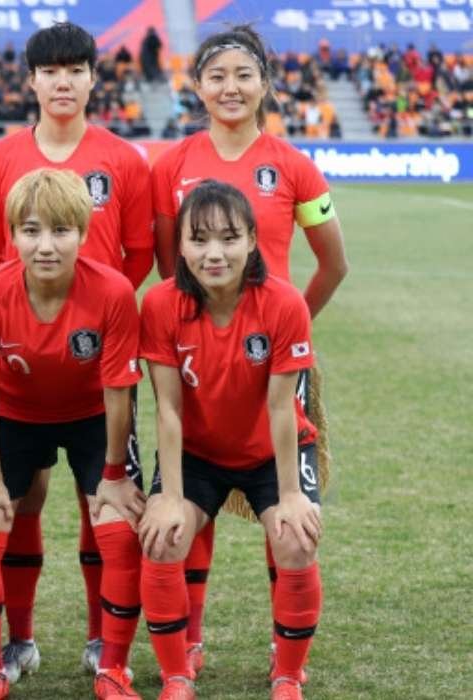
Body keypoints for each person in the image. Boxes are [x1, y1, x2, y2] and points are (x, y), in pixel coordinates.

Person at [150, 25, 347, 675]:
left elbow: (333, 264)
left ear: (265, 82)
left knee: (284, 503)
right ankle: (189, 641)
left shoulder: (294, 165)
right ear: (197, 86)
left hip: (274, 360)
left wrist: (288, 332)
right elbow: (167, 266)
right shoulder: (170, 166)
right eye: (216, 76)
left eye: (243, 75)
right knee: (191, 489)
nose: (230, 87)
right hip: (195, 357)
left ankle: (284, 653)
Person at [0, 21, 153, 681]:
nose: (63, 82)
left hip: (96, 372)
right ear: (32, 80)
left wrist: (92, 315)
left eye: (76, 69)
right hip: (22, 372)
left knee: (106, 510)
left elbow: (138, 253)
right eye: (50, 71)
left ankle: (105, 648)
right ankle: (14, 645)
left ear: (94, 78)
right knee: (13, 506)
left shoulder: (124, 160)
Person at [0, 170, 145, 700]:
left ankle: (112, 665)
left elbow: (119, 393)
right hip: (14, 417)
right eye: (31, 230)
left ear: (83, 232)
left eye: (61, 231)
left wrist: (114, 475)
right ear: (12, 234)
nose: (45, 246)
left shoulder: (112, 290)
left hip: (92, 416)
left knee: (118, 527)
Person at [138, 180, 322, 700]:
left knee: (295, 538)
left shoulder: (284, 303)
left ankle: (287, 673)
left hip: (270, 453)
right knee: (163, 538)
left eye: (228, 238)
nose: (214, 253)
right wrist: (170, 497)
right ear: (180, 246)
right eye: (198, 240)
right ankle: (177, 673)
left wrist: (291, 495)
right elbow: (168, 408)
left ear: (252, 241)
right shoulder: (160, 304)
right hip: (198, 454)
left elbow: (281, 408)